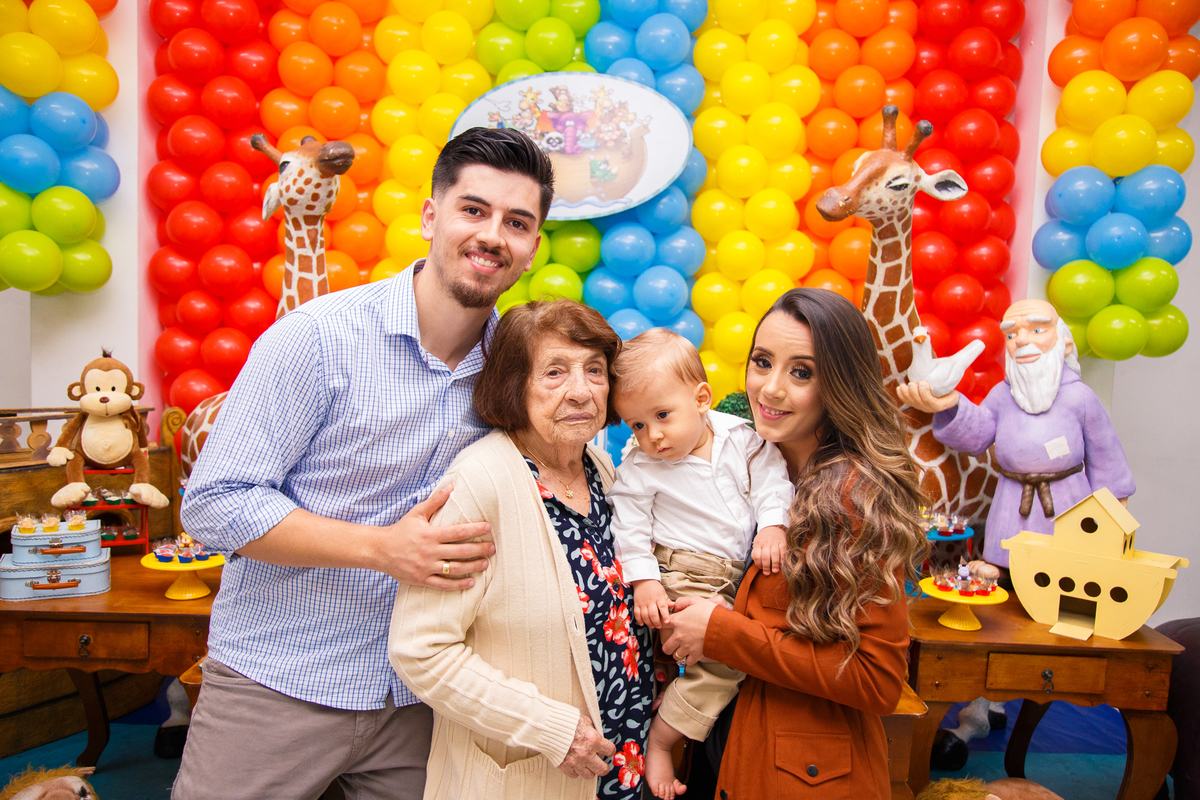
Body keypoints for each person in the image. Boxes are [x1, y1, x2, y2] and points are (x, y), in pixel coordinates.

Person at [175, 127, 554, 800]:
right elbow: (214, 502)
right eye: (473, 209)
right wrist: (382, 549)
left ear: (532, 247)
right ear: (430, 216)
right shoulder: (316, 338)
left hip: (424, 696)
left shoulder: (517, 370)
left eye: (516, 222)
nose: (492, 235)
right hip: (279, 679)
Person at [661, 288, 928, 798]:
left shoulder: (854, 497)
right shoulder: (739, 462)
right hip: (725, 745)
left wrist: (721, 634)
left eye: (801, 372)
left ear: (839, 385)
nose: (770, 388)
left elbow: (877, 680)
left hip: (805, 774)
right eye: (762, 362)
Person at [388, 300, 654, 800]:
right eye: (555, 372)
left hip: (623, 762)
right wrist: (551, 729)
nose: (581, 391)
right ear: (515, 385)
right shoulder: (479, 482)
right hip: (529, 775)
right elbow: (420, 650)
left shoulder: (601, 469)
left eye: (594, 370)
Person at [606, 328, 794, 800]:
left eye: (662, 415)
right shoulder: (641, 466)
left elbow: (772, 482)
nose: (653, 436)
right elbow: (628, 525)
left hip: (737, 574)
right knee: (722, 662)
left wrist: (774, 526)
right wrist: (645, 582)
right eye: (637, 425)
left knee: (752, 645)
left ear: (702, 398)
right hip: (681, 573)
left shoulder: (742, 439)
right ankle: (661, 742)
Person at [897, 298, 1135, 568]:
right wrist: (951, 405)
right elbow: (977, 436)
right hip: (1012, 499)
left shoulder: (1080, 397)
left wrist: (1115, 501)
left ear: (1065, 344)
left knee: (1065, 564)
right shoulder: (1002, 395)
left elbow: (1105, 453)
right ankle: (1002, 570)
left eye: (1037, 330)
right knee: (1008, 554)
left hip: (1067, 501)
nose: (1021, 340)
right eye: (1011, 334)